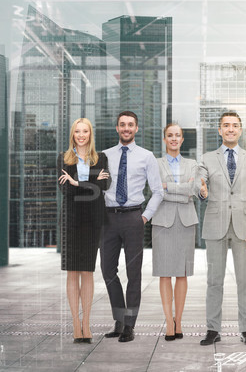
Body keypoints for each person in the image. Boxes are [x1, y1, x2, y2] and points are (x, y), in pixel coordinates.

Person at [198, 111, 246, 347]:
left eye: (234, 125)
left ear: (240, 130)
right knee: (214, 281)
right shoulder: (207, 158)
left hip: (245, 229)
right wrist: (201, 188)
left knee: (244, 281)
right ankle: (212, 329)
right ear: (219, 130)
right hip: (216, 227)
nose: (230, 129)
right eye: (226, 125)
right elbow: (201, 178)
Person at [101, 111, 164, 343]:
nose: (126, 128)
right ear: (117, 128)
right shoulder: (104, 155)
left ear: (136, 128)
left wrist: (145, 217)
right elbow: (97, 186)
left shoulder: (147, 157)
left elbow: (158, 191)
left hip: (133, 219)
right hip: (108, 219)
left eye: (130, 125)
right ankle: (119, 320)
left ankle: (129, 325)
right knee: (108, 270)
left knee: (133, 273)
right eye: (122, 125)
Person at [57, 118, 110, 344]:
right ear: (72, 134)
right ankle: (75, 324)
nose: (81, 135)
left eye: (85, 131)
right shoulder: (63, 158)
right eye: (77, 131)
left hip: (92, 221)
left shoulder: (101, 158)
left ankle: (86, 323)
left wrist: (78, 183)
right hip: (71, 220)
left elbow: (104, 187)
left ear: (91, 134)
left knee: (87, 272)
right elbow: (64, 190)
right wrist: (92, 182)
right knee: (72, 273)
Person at [151, 123, 199, 341]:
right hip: (163, 222)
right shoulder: (155, 164)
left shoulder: (193, 164)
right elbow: (156, 191)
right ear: (164, 139)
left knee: (182, 273)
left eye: (177, 135)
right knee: (164, 272)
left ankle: (178, 321)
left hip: (186, 222)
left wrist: (169, 187)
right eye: (169, 135)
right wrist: (181, 190)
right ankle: (168, 322)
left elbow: (193, 191)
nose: (173, 139)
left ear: (182, 139)